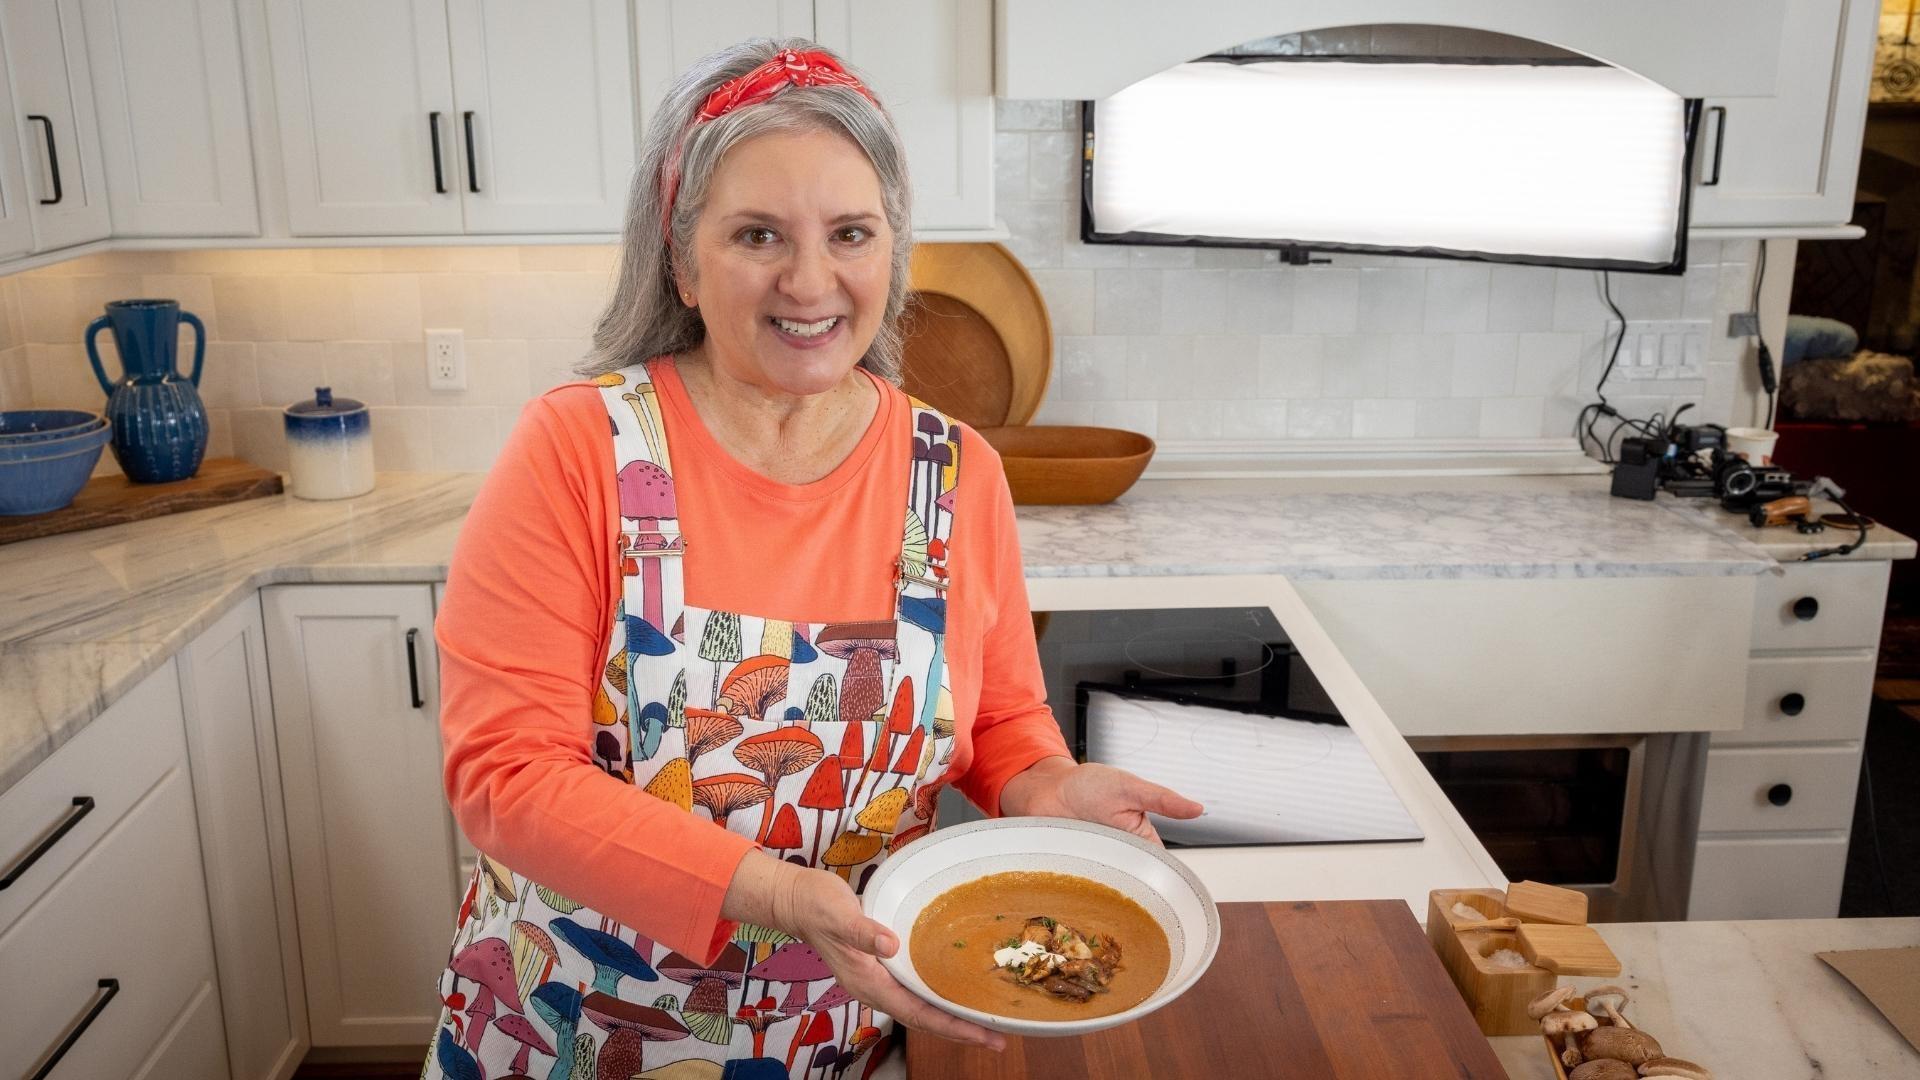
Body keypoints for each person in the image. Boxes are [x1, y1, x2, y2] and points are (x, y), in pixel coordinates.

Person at [420, 38, 1203, 1080]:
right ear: (682, 260)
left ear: (893, 252)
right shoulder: (580, 451)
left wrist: (1041, 788)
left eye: (850, 233)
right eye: (757, 235)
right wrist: (776, 890)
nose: (810, 280)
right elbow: (504, 778)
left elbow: (1002, 720)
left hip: (838, 1041)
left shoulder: (955, 473)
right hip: (569, 1031)